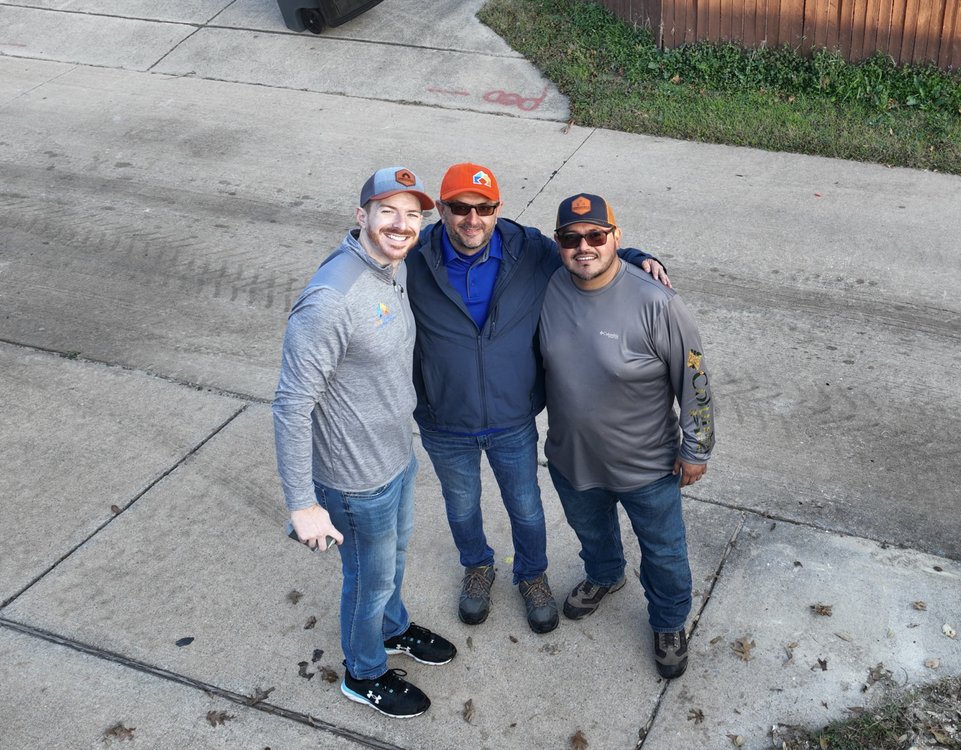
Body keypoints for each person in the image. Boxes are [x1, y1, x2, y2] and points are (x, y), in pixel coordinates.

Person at [405, 164, 671, 634]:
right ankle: (478, 566)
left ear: (497, 210)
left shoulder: (527, 250)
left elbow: (586, 251)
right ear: (442, 211)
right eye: (461, 208)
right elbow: (368, 249)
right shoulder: (414, 259)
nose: (473, 219)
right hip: (444, 419)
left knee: (526, 505)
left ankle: (532, 574)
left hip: (511, 417)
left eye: (483, 208)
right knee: (462, 505)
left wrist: (640, 256)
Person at [273, 167, 456, 719]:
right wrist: (303, 505)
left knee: (393, 561)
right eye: (388, 211)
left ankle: (394, 629)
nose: (402, 225)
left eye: (413, 215)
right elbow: (290, 404)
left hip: (396, 456)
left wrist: (633, 256)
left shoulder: (389, 265)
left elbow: (487, 229)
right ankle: (364, 671)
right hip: (354, 481)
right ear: (361, 216)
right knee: (367, 582)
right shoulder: (332, 298)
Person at [539, 192, 715, 678]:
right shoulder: (549, 285)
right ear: (558, 244)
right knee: (591, 532)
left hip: (647, 467)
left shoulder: (658, 302)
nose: (584, 247)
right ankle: (605, 575)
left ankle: (669, 620)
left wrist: (696, 448)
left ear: (616, 237)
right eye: (572, 238)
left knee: (663, 552)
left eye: (597, 235)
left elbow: (694, 380)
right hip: (572, 460)